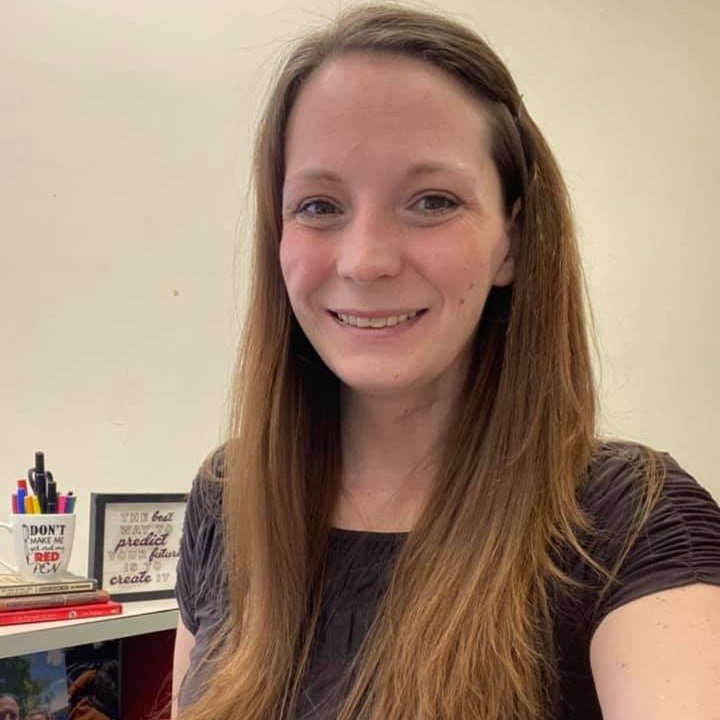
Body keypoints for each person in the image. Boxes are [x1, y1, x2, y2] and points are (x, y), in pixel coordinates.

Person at [172, 5, 720, 719]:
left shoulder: (635, 522)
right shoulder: (228, 498)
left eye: (431, 201)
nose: (365, 260)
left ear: (513, 243)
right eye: (318, 205)